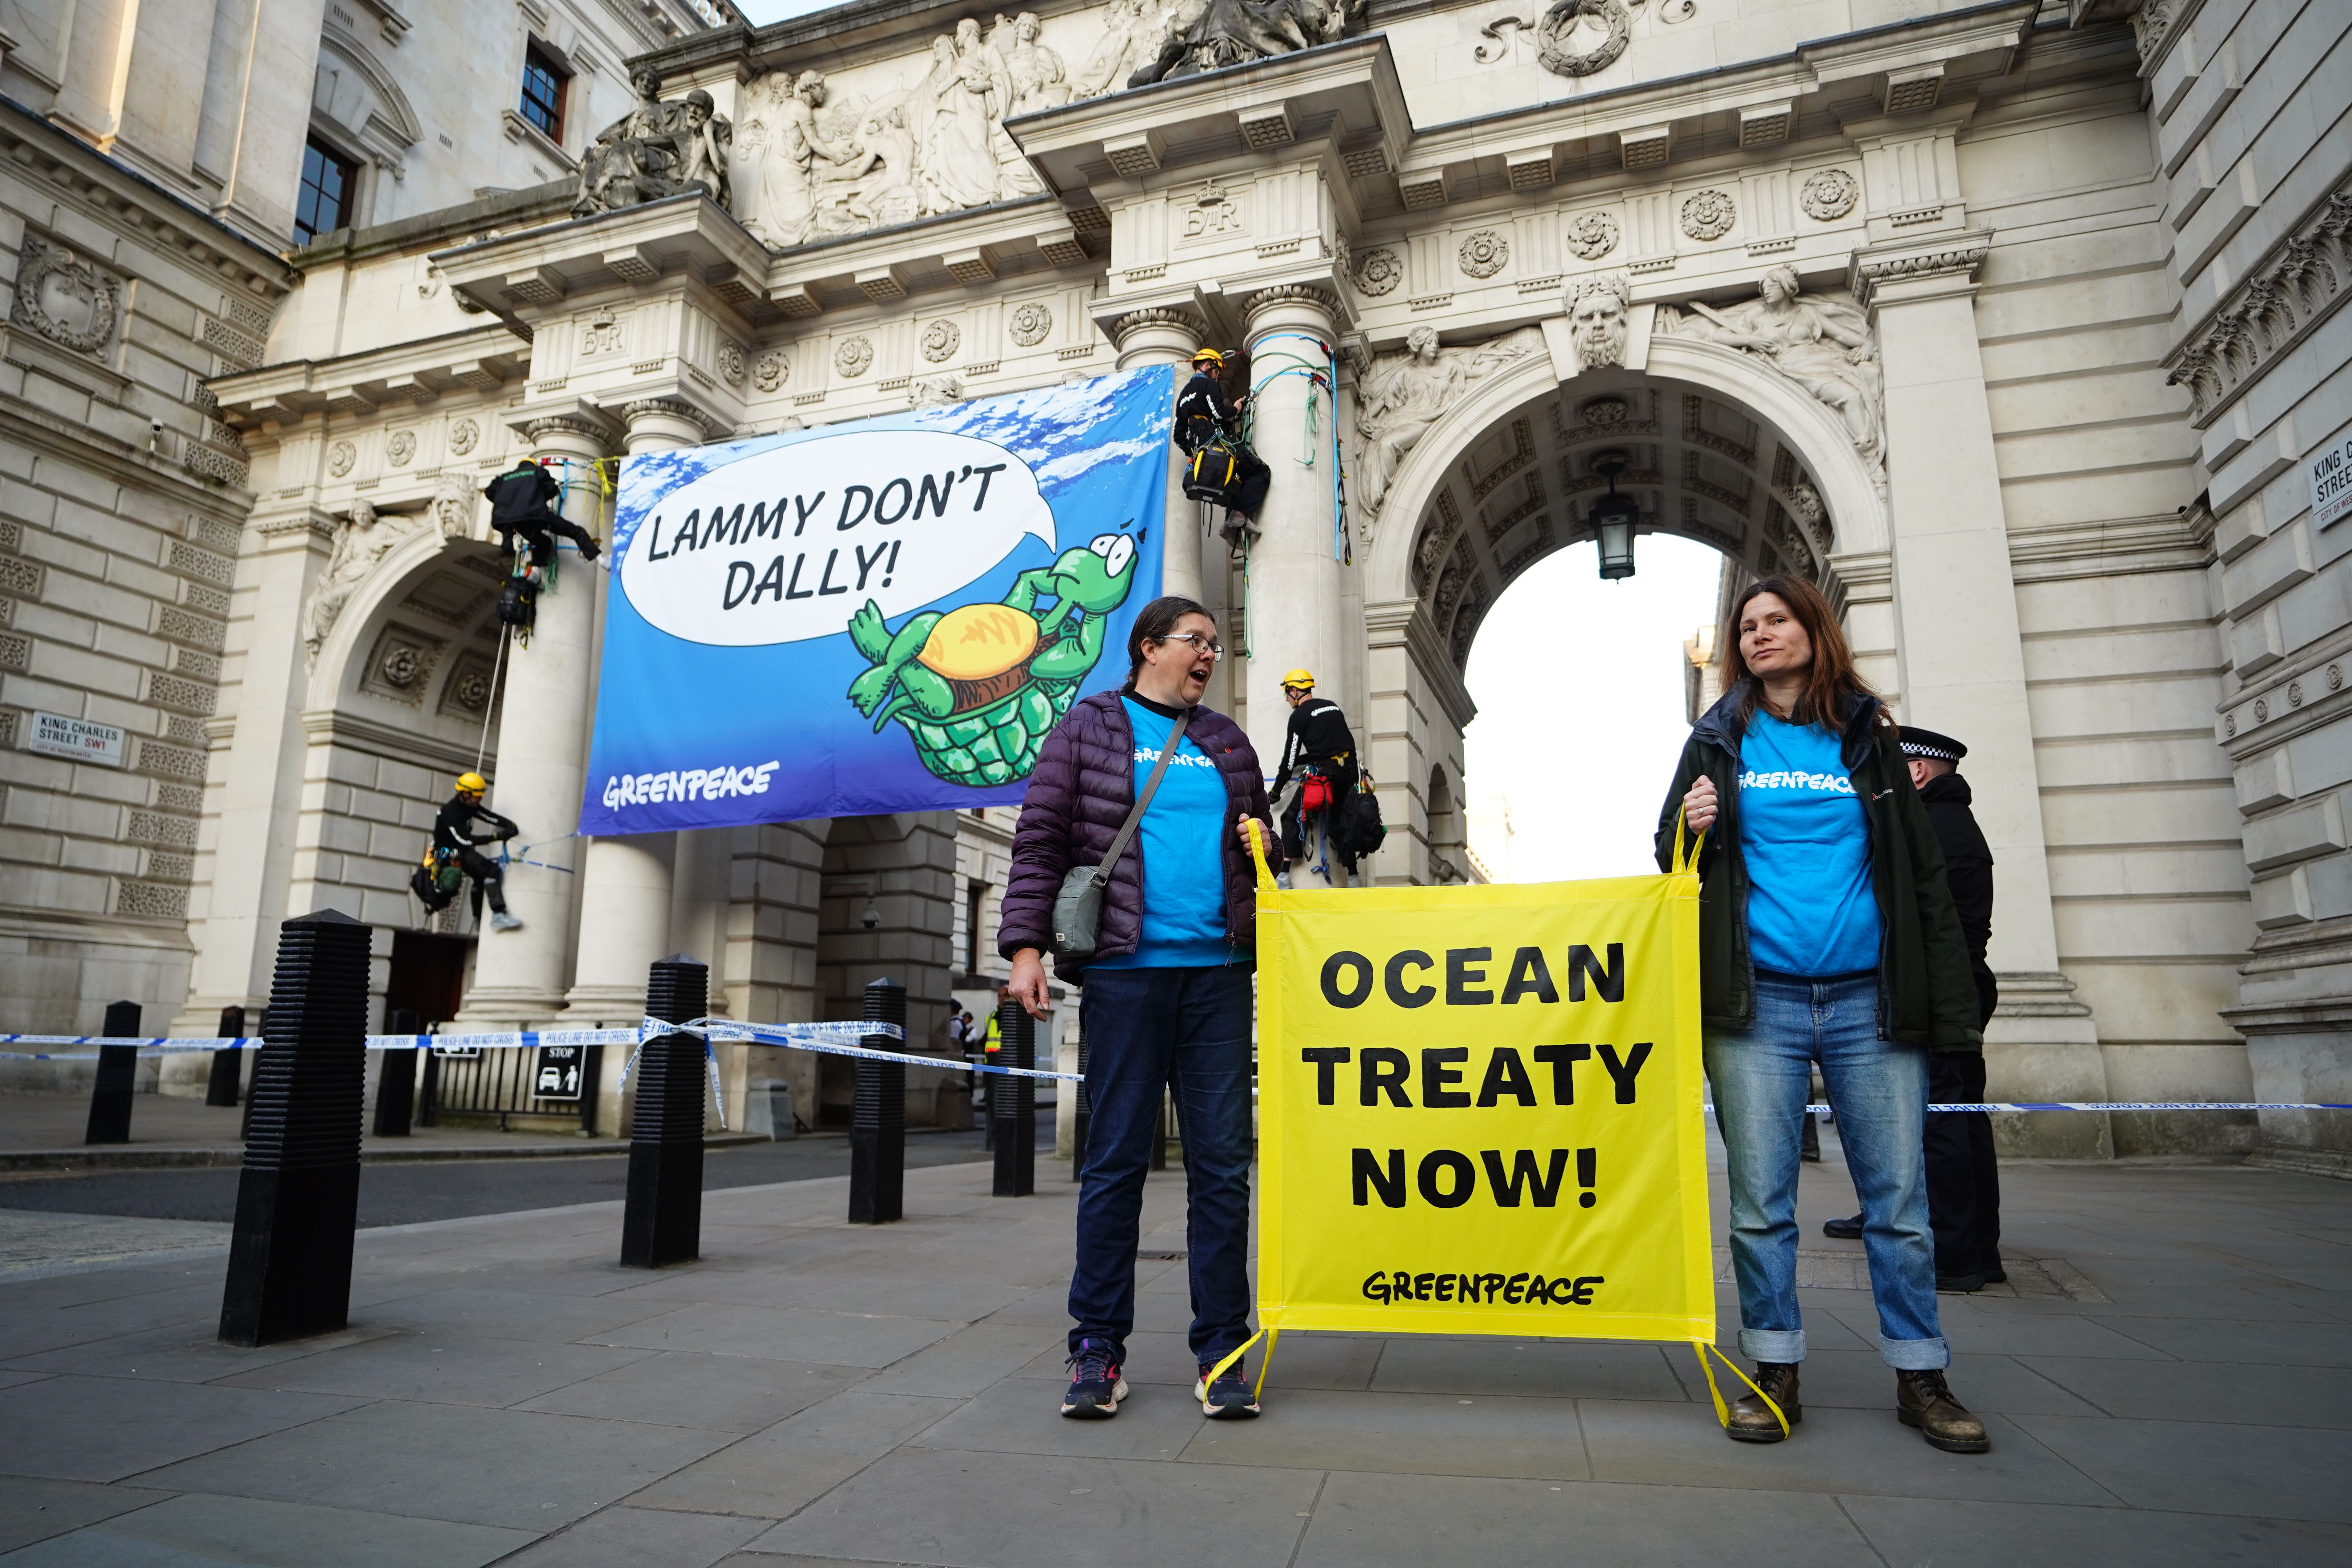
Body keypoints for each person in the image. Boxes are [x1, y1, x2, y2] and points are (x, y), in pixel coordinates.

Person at [1657, 574, 1989, 1454]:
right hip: (1754, 1000)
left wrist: (1950, 1008)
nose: (1761, 635)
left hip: (1867, 1001)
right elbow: (1669, 859)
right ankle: (1775, 1369)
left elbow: (1921, 873)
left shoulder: (1870, 737)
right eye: (1749, 625)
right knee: (1761, 1205)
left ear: (1815, 629)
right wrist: (1691, 824)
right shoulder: (1717, 736)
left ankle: (1921, 1373)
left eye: (1778, 620)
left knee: (1900, 1204)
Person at [999, 595, 1281, 1422]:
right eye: (1196, 641)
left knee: (1223, 1169)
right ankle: (1096, 1350)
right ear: (1149, 646)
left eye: (1217, 646)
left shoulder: (1228, 741)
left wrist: (1272, 839)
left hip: (1220, 975)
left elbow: (1258, 847)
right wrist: (1025, 948)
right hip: (1126, 973)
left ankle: (1223, 1349)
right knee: (1114, 1163)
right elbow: (1042, 838)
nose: (1210, 655)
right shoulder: (1089, 727)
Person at [1824, 727, 2002, 1290]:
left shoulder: (1929, 826)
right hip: (1958, 983)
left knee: (1938, 1121)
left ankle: (1954, 1253)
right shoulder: (1952, 823)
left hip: (1937, 985)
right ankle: (1977, 1244)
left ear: (1918, 772)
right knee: (1958, 1118)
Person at [1174, 348, 1270, 528]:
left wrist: (1196, 451)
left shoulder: (1184, 395)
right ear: (1208, 365)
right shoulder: (1208, 385)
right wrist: (1236, 409)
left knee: (1239, 473)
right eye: (1216, 372)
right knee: (1261, 472)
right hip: (1216, 441)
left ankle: (1231, 521)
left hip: (1201, 445)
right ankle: (1240, 513)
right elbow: (1220, 414)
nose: (1217, 377)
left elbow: (1178, 437)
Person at [1269, 668, 1357, 863]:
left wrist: (1276, 791)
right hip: (1350, 772)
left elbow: (1290, 758)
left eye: (1287, 694)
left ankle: (1283, 876)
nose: (1287, 700)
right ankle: (1353, 875)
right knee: (1341, 819)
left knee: (1292, 816)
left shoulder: (1300, 715)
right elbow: (1334, 747)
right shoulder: (1332, 707)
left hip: (1326, 775)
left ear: (1294, 691)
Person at [436, 772, 521, 932]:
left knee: (480, 877)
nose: (480, 799)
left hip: (459, 849)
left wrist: (510, 825)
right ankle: (498, 914)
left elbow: (487, 816)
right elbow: (466, 840)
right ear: (466, 794)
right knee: (491, 871)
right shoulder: (451, 813)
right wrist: (497, 836)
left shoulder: (468, 806)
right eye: (477, 796)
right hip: (452, 852)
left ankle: (478, 918)